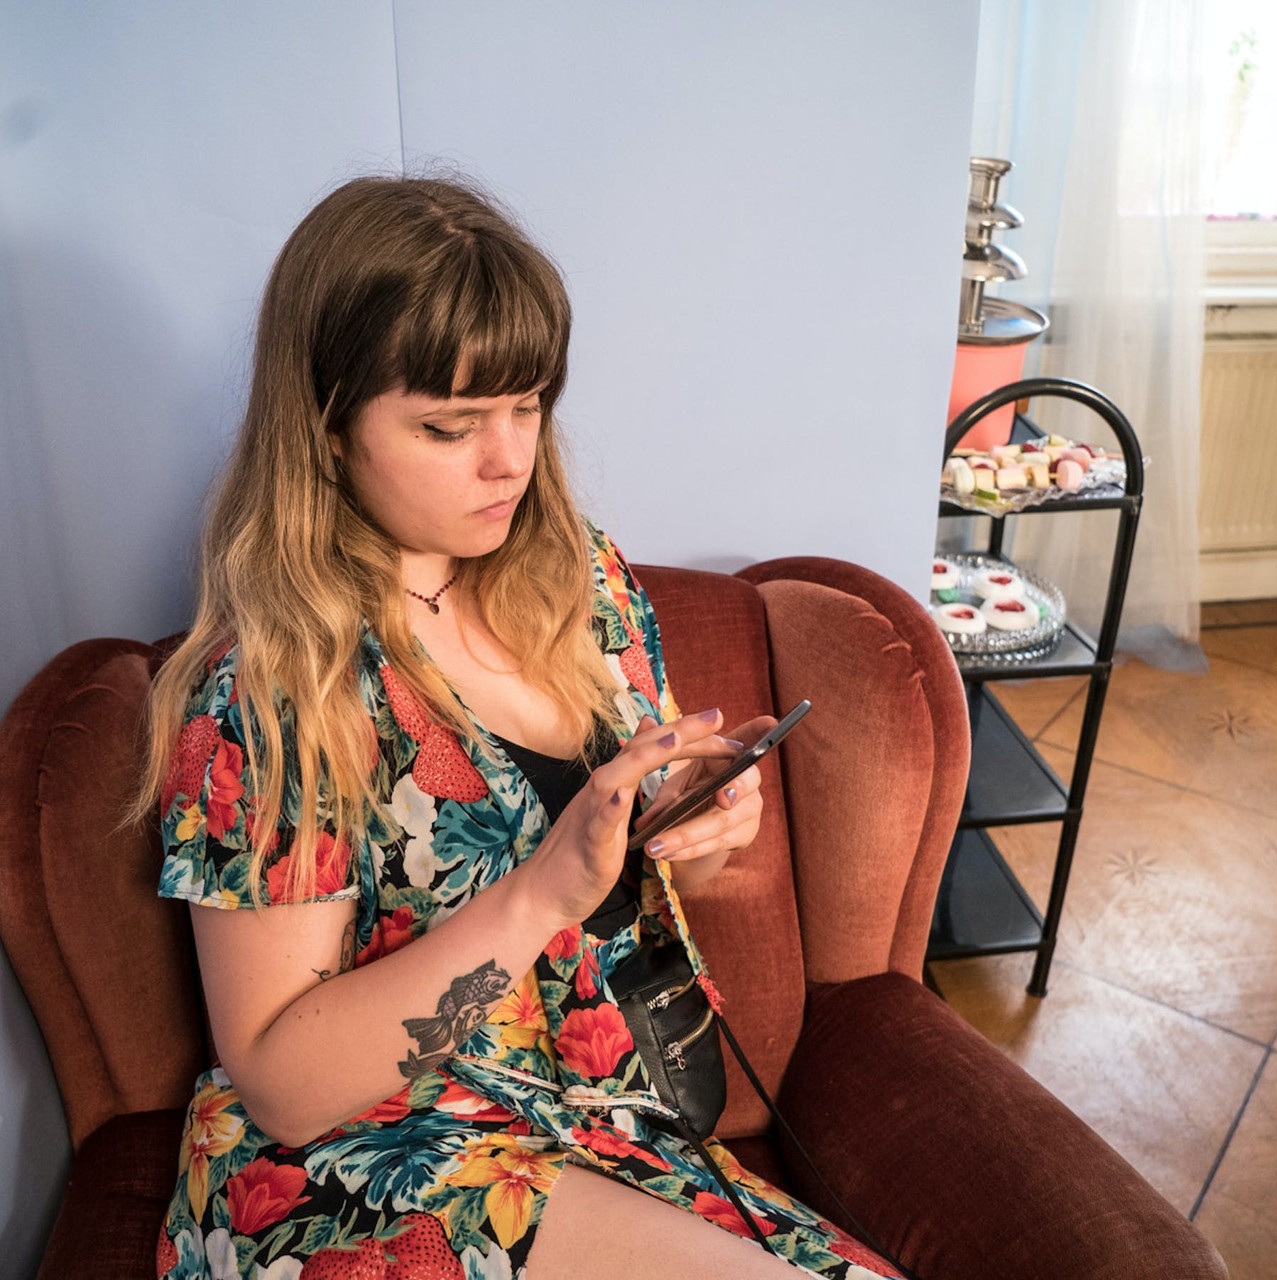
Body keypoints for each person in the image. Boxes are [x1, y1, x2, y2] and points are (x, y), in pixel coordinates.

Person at [142, 175, 902, 1280]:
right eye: (448, 426)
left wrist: (696, 818)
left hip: (604, 1129)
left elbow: (645, 870)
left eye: (528, 404)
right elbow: (283, 1083)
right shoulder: (269, 691)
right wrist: (542, 891)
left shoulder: (578, 577)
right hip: (374, 1162)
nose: (508, 459)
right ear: (327, 426)